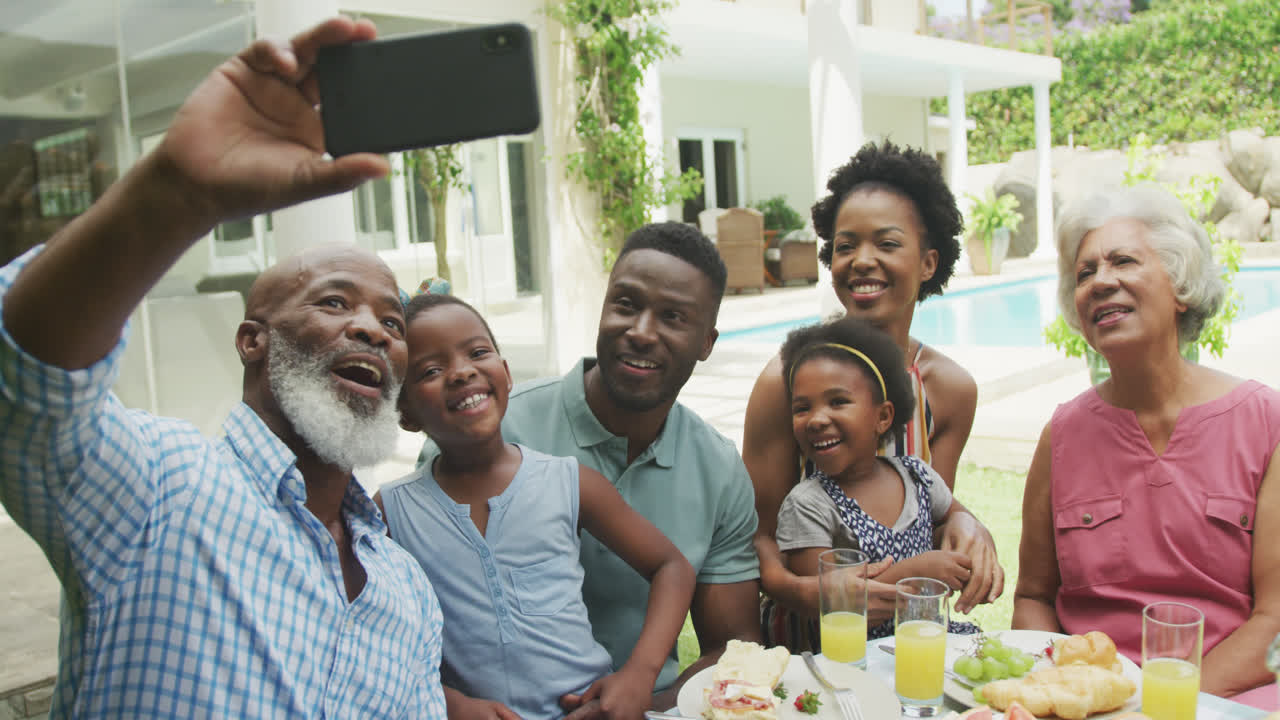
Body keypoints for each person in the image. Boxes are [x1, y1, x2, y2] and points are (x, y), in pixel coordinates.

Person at [0, 17, 447, 718]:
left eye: (392, 322)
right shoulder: (157, 486)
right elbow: (28, 378)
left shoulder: (407, 592)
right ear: (252, 341)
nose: (370, 327)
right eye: (335, 301)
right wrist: (177, 194)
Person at [424, 221, 763, 713]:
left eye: (672, 317)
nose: (641, 332)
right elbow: (408, 627)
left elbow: (731, 649)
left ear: (706, 343)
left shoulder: (718, 468)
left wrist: (645, 698)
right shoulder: (484, 431)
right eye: (625, 305)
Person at [1013, 184, 1280, 705]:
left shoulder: (1265, 422)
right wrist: (1069, 690)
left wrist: (1167, 702)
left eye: (1123, 261)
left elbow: (1275, 617)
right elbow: (1033, 597)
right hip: (1089, 701)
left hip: (1229, 695)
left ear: (1180, 285)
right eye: (1085, 273)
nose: (1100, 282)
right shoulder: (1062, 435)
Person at [377, 291, 696, 720]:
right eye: (431, 370)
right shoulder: (390, 513)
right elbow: (369, 633)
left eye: (477, 352)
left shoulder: (568, 482)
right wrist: (447, 703)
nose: (462, 372)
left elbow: (671, 567)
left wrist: (639, 673)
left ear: (506, 375)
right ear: (406, 413)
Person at [743, 141, 1002, 645]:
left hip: (906, 644)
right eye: (845, 246)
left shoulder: (948, 390)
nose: (862, 261)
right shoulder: (787, 381)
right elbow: (755, 534)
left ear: (928, 263)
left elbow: (924, 507)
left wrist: (969, 524)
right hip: (808, 646)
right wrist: (800, 592)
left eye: (886, 244)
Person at [776, 315, 989, 644]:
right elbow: (833, 604)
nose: (816, 420)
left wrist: (969, 539)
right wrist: (916, 576)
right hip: (853, 660)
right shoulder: (807, 505)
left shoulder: (917, 476)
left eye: (838, 402)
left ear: (883, 416)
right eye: (802, 408)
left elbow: (956, 516)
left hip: (924, 645)